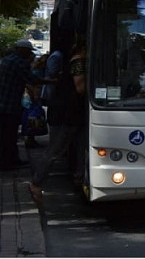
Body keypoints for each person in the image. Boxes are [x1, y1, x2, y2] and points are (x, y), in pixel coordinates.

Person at [29, 41, 87, 203]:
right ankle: (36, 183)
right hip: (66, 115)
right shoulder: (77, 63)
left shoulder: (75, 62)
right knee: (55, 150)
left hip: (71, 114)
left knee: (80, 147)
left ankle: (79, 178)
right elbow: (80, 87)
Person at [0, 40, 53, 170]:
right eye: (28, 51)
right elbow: (31, 79)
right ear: (22, 50)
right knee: (9, 136)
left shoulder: (6, 60)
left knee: (5, 135)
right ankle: (7, 162)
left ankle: (11, 160)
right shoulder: (19, 62)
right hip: (9, 105)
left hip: (3, 103)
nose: (29, 54)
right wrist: (52, 81)